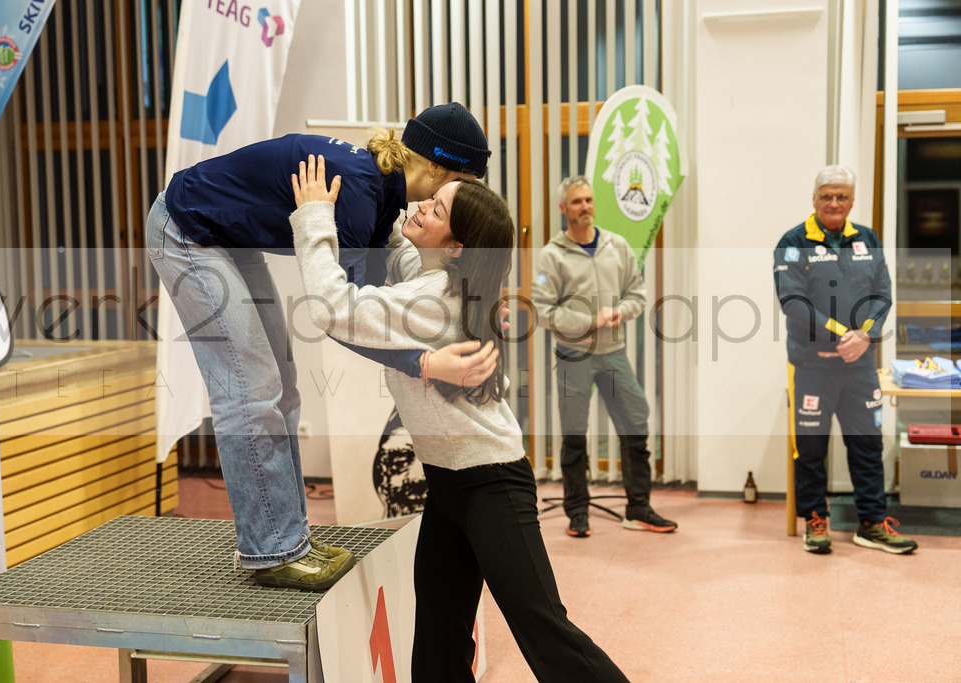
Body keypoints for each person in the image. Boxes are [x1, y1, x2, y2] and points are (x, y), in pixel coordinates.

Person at [290, 157, 627, 682]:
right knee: (439, 641)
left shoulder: (432, 299)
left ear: (456, 248)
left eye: (437, 208)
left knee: (544, 631)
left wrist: (314, 217)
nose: (423, 203)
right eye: (430, 196)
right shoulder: (444, 281)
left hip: (491, 482)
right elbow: (403, 254)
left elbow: (331, 309)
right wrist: (387, 187)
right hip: (449, 482)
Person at [146, 103, 499, 591]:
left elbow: (377, 301)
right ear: (437, 168)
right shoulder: (357, 190)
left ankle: (291, 539)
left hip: (224, 238)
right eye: (462, 183)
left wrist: (470, 302)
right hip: (185, 229)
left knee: (284, 392)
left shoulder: (382, 194)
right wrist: (421, 361)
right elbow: (342, 321)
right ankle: (272, 551)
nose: (460, 198)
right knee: (250, 392)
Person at [774, 164, 918, 555]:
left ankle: (871, 524)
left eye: (842, 196)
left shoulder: (867, 238)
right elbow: (793, 302)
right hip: (812, 366)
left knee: (867, 446)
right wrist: (844, 335)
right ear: (814, 199)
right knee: (811, 449)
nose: (834, 203)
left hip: (860, 366)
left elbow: (882, 294)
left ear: (852, 200)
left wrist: (866, 335)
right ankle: (815, 520)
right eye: (827, 196)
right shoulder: (793, 241)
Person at [531, 175, 677, 538]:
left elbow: (637, 295)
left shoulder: (618, 245)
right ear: (563, 208)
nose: (585, 207)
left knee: (635, 423)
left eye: (589, 200)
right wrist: (588, 321)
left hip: (613, 355)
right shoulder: (552, 255)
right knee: (574, 435)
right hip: (574, 356)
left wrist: (620, 312)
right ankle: (577, 512)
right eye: (577, 201)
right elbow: (543, 311)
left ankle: (638, 509)